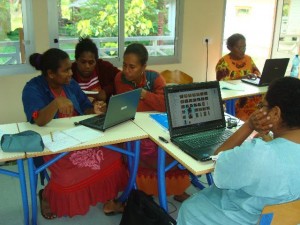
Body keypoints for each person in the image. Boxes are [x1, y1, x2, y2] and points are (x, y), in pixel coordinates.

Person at [177, 77, 300, 225]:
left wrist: (249, 125)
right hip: (284, 218)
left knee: (190, 207)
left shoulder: (259, 154)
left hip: (245, 218)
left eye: (263, 106)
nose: (260, 109)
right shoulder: (269, 149)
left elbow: (218, 160)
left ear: (275, 113)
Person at [22, 48, 128, 219]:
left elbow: (84, 106)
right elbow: (38, 120)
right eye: (66, 70)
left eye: (70, 68)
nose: (71, 73)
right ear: (50, 73)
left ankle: (108, 199)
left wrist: (94, 109)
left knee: (114, 158)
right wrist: (56, 103)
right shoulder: (33, 88)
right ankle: (47, 195)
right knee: (67, 177)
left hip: (80, 137)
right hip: (53, 143)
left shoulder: (70, 84)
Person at [115, 43, 190, 202]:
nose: (126, 70)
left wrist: (143, 94)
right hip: (132, 127)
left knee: (174, 147)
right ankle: (143, 190)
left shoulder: (155, 77)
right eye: (124, 65)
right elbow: (131, 107)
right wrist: (152, 100)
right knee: (146, 150)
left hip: (157, 125)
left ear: (143, 67)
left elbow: (166, 104)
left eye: (132, 67)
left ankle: (176, 188)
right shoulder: (120, 78)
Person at [216, 33, 262, 121]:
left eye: (244, 47)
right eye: (239, 47)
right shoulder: (223, 62)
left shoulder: (248, 59)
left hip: (249, 91)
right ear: (230, 48)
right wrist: (241, 78)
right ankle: (243, 123)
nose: (243, 50)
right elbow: (222, 83)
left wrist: (254, 75)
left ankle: (259, 122)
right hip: (234, 95)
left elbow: (257, 73)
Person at [72, 37, 120, 103]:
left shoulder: (104, 67)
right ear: (76, 60)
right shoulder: (70, 73)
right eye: (83, 62)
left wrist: (105, 91)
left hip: (103, 112)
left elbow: (121, 77)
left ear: (96, 61)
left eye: (91, 62)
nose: (87, 66)